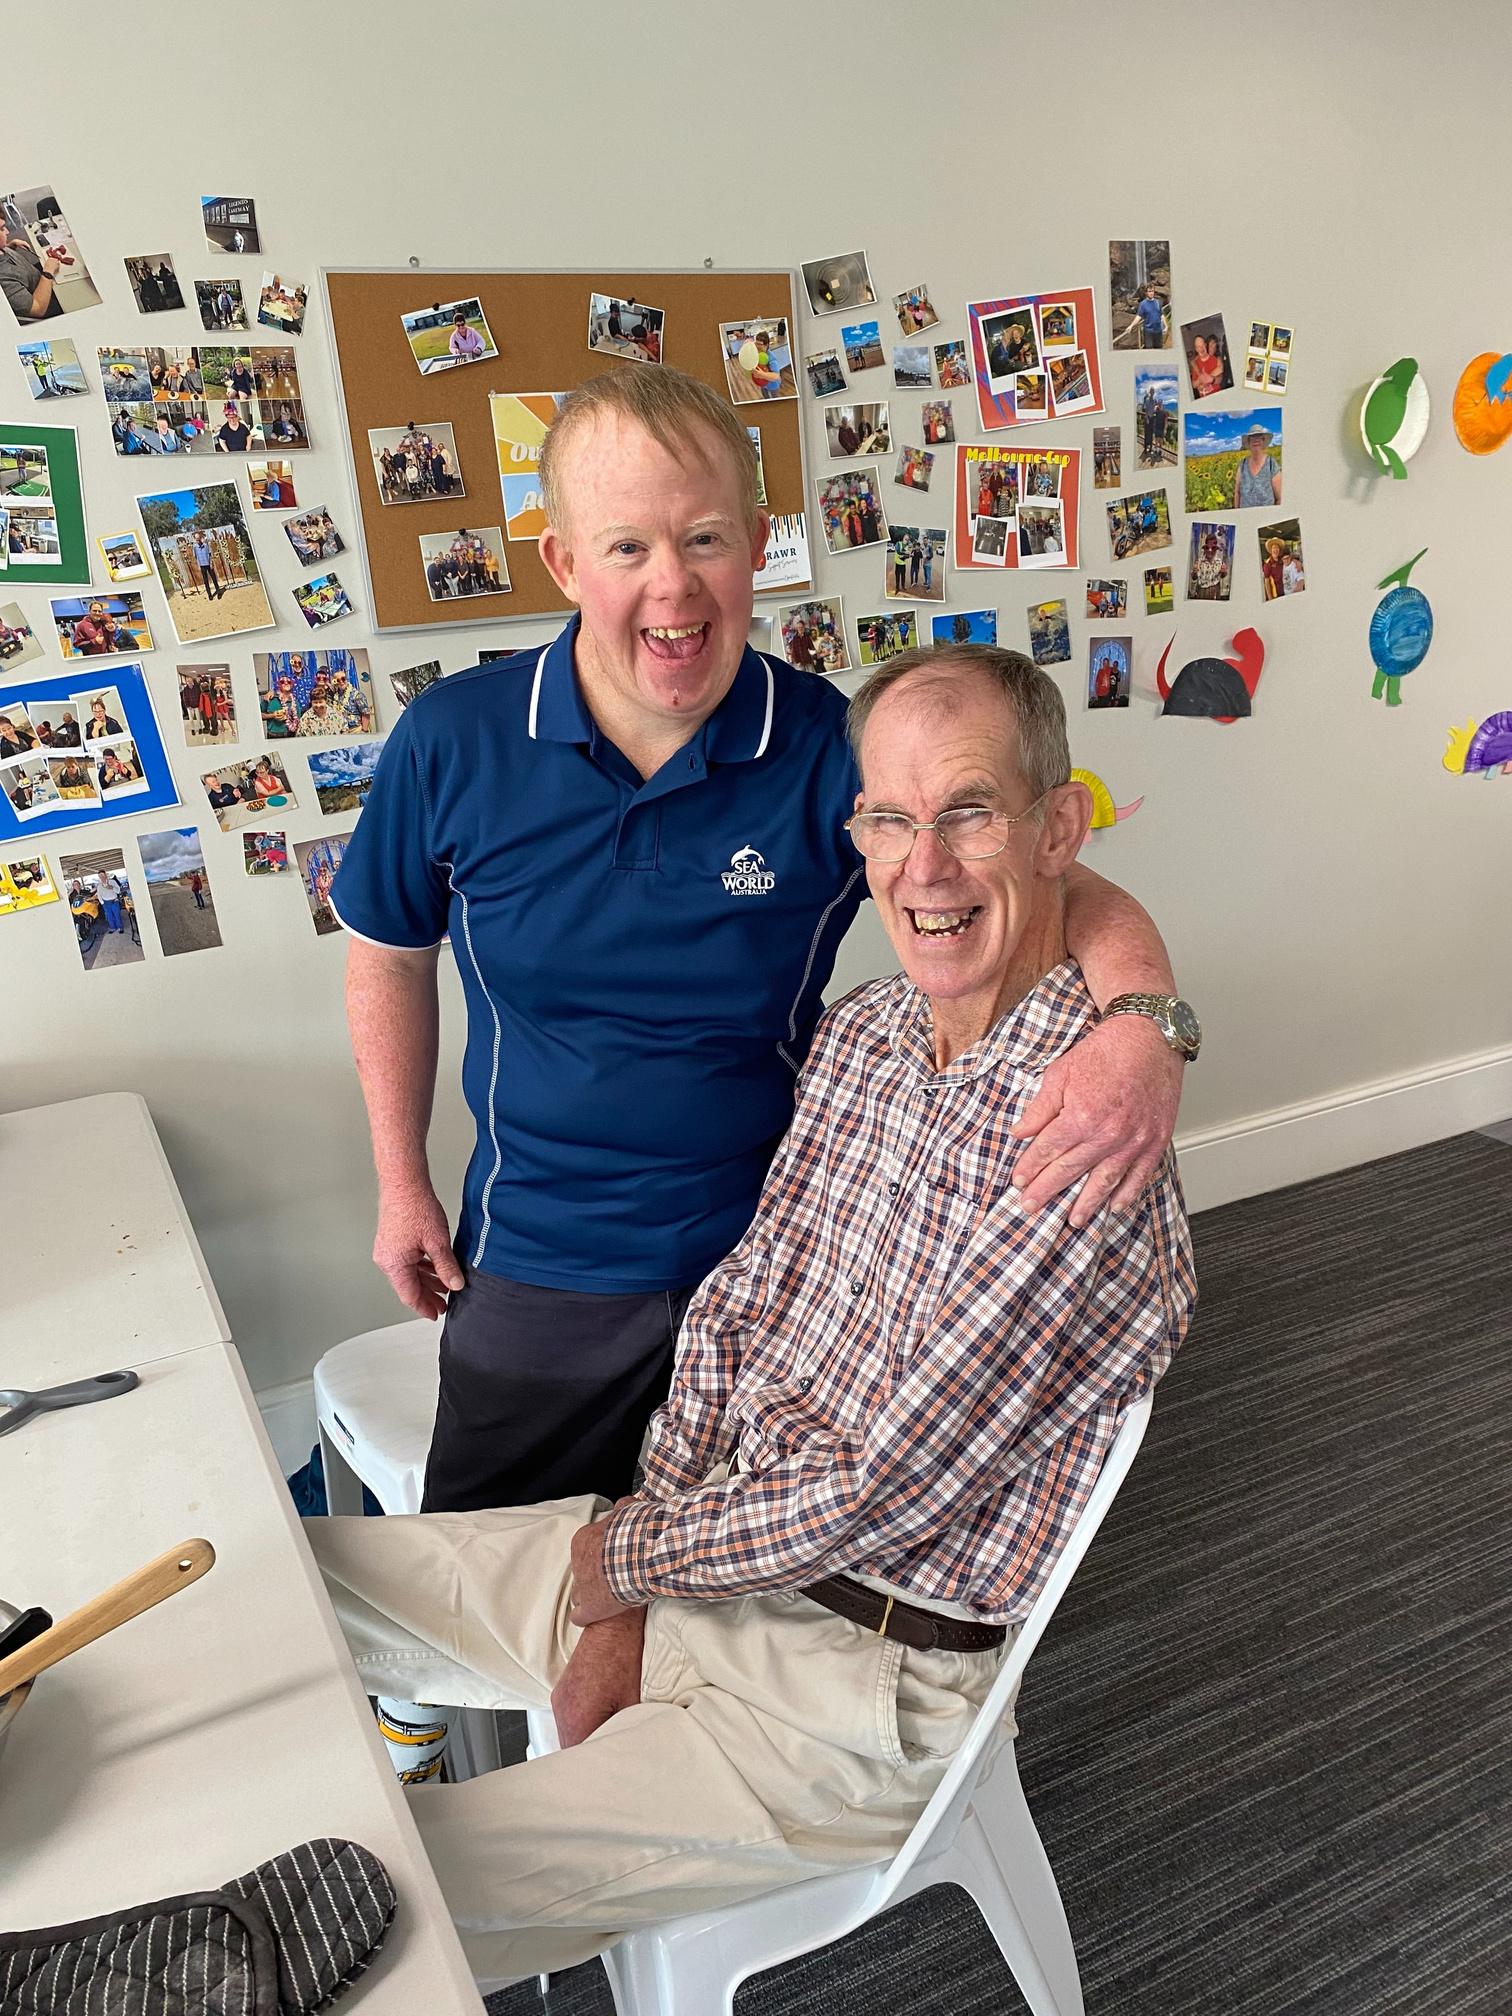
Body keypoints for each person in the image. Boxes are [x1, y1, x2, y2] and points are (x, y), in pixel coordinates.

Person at [306, 644, 1196, 1987]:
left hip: (851, 1692)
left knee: (358, 1913)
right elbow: (735, 1323)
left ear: (1058, 829)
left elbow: (876, 1485)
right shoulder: (866, 1037)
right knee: (285, 1587)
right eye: (888, 821)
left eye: (969, 813)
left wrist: (623, 1566)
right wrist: (628, 1592)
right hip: (705, 1562)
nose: (924, 867)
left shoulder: (1084, 1135)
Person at [329, 364, 1194, 1537]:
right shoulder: (453, 740)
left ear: (758, 544)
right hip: (542, 1256)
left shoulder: (830, 745)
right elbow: (388, 956)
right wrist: (399, 1182)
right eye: (627, 547)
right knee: (481, 1579)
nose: (674, 586)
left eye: (706, 538)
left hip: (781, 1251)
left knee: (755, 1568)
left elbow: (1046, 870)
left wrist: (1146, 1030)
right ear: (565, 562)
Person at [0, 214, 65, 322]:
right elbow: (38, 309)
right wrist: (48, 273)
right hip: (46, 301)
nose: (7, 232)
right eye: (2, 229)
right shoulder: (3, 280)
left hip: (34, 277)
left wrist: (9, 246)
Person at [1233, 424, 1282, 508]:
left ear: (1263, 441)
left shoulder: (1271, 463)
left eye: (1259, 437)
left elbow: (1279, 498)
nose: (1256, 440)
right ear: (1248, 442)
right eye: (1252, 437)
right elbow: (1237, 493)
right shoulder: (1242, 464)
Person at [193, 530, 224, 600]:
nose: (198, 540)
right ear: (195, 539)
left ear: (200, 538)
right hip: (202, 566)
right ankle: (209, 595)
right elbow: (196, 557)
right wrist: (198, 565)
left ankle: (218, 592)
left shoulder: (206, 545)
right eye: (196, 539)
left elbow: (210, 554)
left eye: (199, 538)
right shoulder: (195, 547)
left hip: (208, 564)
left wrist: (211, 563)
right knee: (206, 581)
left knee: (214, 578)